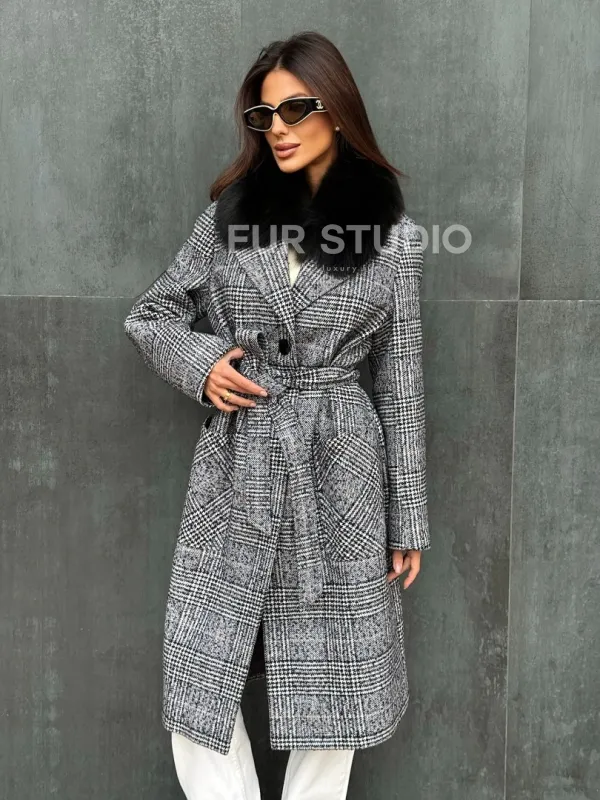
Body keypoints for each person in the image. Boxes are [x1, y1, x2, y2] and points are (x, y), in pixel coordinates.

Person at [124, 30, 430, 800]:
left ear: (338, 110)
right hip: (240, 462)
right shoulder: (231, 215)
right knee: (202, 679)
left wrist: (408, 516)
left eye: (296, 109)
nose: (279, 129)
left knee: (335, 693)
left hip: (340, 472)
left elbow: (400, 379)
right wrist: (203, 364)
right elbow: (153, 314)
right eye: (264, 116)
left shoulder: (391, 235)